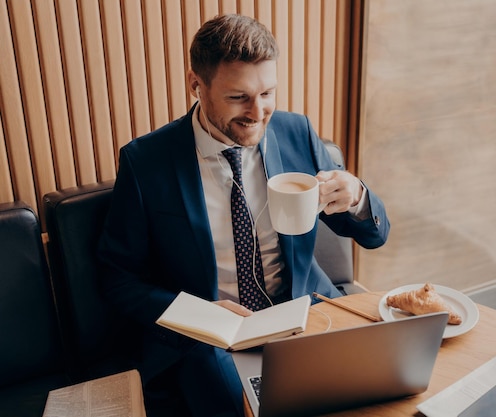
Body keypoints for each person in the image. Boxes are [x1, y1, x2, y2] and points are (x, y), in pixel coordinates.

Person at [98, 13, 390, 417]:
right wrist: (199, 314)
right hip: (212, 341)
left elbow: (375, 236)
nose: (258, 113)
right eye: (238, 97)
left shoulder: (296, 133)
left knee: (385, 387)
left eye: (268, 93)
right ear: (196, 85)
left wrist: (356, 197)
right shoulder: (146, 162)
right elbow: (117, 278)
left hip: (308, 314)